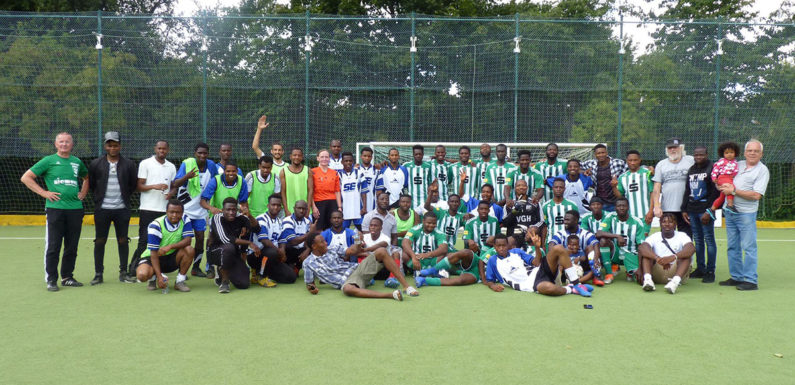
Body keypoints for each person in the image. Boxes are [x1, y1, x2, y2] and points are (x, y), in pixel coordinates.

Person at [21, 132, 89, 291]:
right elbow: (26, 177)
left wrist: (83, 193)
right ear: (56, 144)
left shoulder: (76, 162)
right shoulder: (48, 161)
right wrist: (44, 193)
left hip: (75, 210)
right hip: (55, 210)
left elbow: (86, 177)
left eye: (67, 142)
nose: (64, 144)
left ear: (72, 144)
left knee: (72, 246)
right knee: (53, 246)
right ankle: (51, 279)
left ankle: (67, 277)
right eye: (61, 141)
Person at [303, 232, 419, 300]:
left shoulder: (332, 248)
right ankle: (390, 295)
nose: (326, 243)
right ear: (314, 246)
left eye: (324, 240)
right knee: (347, 289)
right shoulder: (308, 263)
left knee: (381, 251)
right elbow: (310, 283)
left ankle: (406, 287)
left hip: (357, 269)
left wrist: (358, 240)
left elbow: (352, 251)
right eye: (322, 242)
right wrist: (312, 289)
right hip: (348, 282)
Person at [87, 131, 138, 285]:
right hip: (102, 209)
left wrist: (123, 198)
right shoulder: (96, 163)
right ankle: (98, 274)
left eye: (115, 145)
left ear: (120, 146)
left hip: (122, 209)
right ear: (105, 146)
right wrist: (99, 199)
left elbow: (132, 185)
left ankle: (123, 272)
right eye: (109, 145)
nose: (112, 148)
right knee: (100, 241)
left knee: (123, 240)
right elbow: (92, 185)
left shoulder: (129, 164)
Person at [718, 139, 769, 291]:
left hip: (746, 214)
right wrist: (720, 185)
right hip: (730, 211)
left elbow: (756, 195)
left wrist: (733, 191)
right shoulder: (736, 164)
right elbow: (721, 177)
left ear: (761, 154)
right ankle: (736, 277)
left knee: (749, 247)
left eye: (756, 151)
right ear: (745, 152)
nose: (752, 153)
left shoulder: (762, 170)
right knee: (732, 246)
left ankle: (751, 280)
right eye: (749, 150)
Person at [484, 233, 593, 297]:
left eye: (504, 245)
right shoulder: (492, 261)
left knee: (559, 248)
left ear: (508, 245)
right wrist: (493, 286)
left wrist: (537, 247)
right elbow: (489, 280)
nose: (501, 248)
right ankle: (571, 289)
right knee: (549, 289)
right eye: (498, 246)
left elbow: (536, 263)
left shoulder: (516, 252)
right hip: (531, 284)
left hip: (539, 270)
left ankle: (577, 284)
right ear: (494, 246)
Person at [131, 140, 176, 277]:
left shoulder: (171, 167)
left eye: (164, 149)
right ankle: (134, 267)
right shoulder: (145, 163)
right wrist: (154, 186)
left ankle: (157, 268)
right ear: (155, 149)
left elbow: (174, 186)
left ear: (168, 150)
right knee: (144, 240)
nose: (162, 151)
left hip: (164, 210)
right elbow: (139, 186)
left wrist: (171, 194)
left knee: (161, 240)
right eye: (159, 148)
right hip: (148, 208)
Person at [173, 143, 217, 278]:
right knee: (184, 240)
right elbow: (175, 184)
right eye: (200, 153)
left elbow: (216, 182)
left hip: (201, 210)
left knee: (200, 238)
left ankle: (196, 268)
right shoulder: (187, 164)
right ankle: (181, 269)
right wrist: (187, 176)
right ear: (195, 153)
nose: (202, 155)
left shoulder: (211, 166)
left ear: (208, 154)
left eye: (205, 153)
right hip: (185, 210)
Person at [135, 199, 194, 292]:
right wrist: (159, 277)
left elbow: (188, 241)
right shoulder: (155, 225)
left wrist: (170, 247)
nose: (174, 215)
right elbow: (153, 253)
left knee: (189, 249)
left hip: (172, 257)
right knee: (142, 275)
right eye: (172, 212)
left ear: (182, 213)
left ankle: (180, 281)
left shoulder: (185, 219)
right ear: (166, 212)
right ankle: (153, 278)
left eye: (178, 212)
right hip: (153, 257)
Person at [681, 146, 718, 283]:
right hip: (692, 209)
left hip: (705, 210)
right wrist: (684, 209)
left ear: (707, 154)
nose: (698, 157)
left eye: (701, 154)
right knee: (698, 240)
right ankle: (701, 268)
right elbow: (687, 190)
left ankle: (710, 271)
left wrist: (709, 210)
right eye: (696, 155)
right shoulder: (692, 169)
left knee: (709, 240)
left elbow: (715, 192)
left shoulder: (712, 168)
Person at [207, 198, 260, 293]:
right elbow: (225, 239)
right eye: (228, 210)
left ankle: (224, 270)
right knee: (229, 247)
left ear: (237, 210)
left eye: (233, 210)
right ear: (223, 210)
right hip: (215, 252)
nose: (231, 212)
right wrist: (249, 243)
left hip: (233, 253)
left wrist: (249, 215)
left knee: (244, 284)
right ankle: (224, 281)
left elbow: (257, 229)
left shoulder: (241, 218)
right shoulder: (217, 218)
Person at [638, 212, 695, 294]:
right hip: (658, 271)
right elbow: (642, 248)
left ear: (675, 224)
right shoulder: (655, 236)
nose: (667, 224)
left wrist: (672, 257)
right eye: (664, 222)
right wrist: (657, 258)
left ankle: (674, 283)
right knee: (647, 255)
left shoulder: (682, 235)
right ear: (660, 224)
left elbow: (691, 248)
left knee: (686, 257)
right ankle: (648, 281)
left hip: (676, 271)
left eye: (670, 222)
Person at [651, 137, 694, 236]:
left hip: (686, 208)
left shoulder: (691, 161)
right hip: (667, 208)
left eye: (675, 147)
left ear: (681, 148)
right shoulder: (661, 164)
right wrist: (656, 206)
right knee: (667, 237)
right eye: (670, 148)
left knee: (686, 238)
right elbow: (656, 187)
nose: (673, 150)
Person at [250, 193, 296, 286]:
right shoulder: (262, 219)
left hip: (272, 257)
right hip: (256, 255)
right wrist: (279, 252)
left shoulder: (279, 221)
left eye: (278, 205)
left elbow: (282, 239)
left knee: (291, 277)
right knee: (271, 252)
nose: (276, 207)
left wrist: (282, 250)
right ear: (268, 206)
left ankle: (265, 272)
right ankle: (261, 276)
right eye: (273, 205)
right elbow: (264, 241)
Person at [596, 198, 645, 283]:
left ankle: (630, 271)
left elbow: (641, 246)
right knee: (603, 241)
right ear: (615, 208)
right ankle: (609, 273)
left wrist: (640, 267)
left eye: (624, 206)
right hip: (616, 252)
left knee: (639, 280)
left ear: (628, 207)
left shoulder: (637, 222)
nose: (621, 208)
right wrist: (617, 236)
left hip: (630, 253)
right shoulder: (611, 217)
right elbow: (599, 233)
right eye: (619, 206)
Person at [548, 210, 602, 284]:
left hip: (582, 264)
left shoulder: (585, 234)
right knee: (556, 248)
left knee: (590, 248)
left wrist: (595, 258)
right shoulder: (560, 234)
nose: (565, 222)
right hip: (565, 265)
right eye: (564, 219)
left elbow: (596, 244)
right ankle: (557, 278)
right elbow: (551, 244)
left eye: (568, 220)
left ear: (576, 221)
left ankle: (596, 275)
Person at [613, 150, 654, 236]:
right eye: (630, 160)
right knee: (631, 238)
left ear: (640, 160)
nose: (632, 163)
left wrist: (651, 211)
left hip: (645, 214)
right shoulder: (622, 177)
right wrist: (613, 187)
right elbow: (620, 196)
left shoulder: (647, 173)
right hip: (629, 215)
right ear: (626, 161)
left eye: (635, 160)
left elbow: (652, 193)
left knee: (643, 238)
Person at [582, 144, 628, 212]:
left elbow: (631, 169)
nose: (601, 155)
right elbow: (575, 167)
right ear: (595, 154)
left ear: (606, 153)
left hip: (615, 201)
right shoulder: (591, 164)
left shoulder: (618, 163)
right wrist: (584, 171)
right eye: (598, 153)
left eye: (603, 152)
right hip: (600, 203)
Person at [579, 197, 615, 283]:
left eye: (598, 204)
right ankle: (596, 273)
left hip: (610, 245)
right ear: (590, 207)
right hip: (594, 244)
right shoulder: (586, 217)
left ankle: (609, 273)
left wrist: (598, 236)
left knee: (603, 240)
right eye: (593, 205)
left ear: (602, 206)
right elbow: (584, 233)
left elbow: (610, 233)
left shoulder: (609, 216)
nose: (596, 206)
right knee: (590, 246)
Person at [278, 200, 314, 273]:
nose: (301, 211)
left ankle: (297, 267)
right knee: (289, 246)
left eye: (303, 209)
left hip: (300, 250)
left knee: (315, 246)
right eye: (299, 208)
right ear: (294, 208)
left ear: (307, 210)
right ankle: (288, 265)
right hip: (288, 251)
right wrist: (310, 233)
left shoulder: (307, 222)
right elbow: (293, 241)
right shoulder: (288, 220)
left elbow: (309, 240)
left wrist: (307, 250)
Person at [309, 149, 342, 230]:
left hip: (332, 203)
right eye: (322, 157)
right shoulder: (312, 172)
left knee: (332, 228)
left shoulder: (334, 173)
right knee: (318, 228)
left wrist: (339, 207)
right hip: (318, 203)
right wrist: (313, 207)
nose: (324, 159)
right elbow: (310, 191)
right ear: (318, 158)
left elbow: (337, 191)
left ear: (329, 159)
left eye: (326, 157)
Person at [541, 178, 579, 243]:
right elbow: (544, 226)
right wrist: (543, 243)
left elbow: (577, 225)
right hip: (551, 241)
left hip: (568, 242)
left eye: (561, 187)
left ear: (564, 189)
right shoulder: (545, 206)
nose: (558, 189)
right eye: (556, 187)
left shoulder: (572, 205)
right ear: (552, 188)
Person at [708, 141, 741, 215]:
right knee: (731, 188)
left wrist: (733, 176)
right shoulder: (722, 161)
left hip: (729, 178)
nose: (729, 154)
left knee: (722, 196)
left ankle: (712, 209)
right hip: (723, 177)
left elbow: (735, 171)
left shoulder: (735, 162)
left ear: (735, 153)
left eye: (731, 152)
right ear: (723, 154)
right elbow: (715, 170)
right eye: (727, 153)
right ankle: (730, 205)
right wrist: (714, 178)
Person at [338, 152, 367, 230]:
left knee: (363, 230)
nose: (348, 163)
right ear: (342, 162)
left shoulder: (359, 173)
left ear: (353, 161)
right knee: (343, 231)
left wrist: (364, 207)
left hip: (357, 209)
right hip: (344, 210)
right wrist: (339, 207)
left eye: (350, 161)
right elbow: (337, 193)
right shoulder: (338, 175)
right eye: (346, 161)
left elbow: (364, 192)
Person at [280, 146, 311, 216]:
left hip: (305, 210)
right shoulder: (284, 171)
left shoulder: (308, 170)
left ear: (302, 157)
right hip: (290, 210)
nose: (297, 157)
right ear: (290, 156)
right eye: (294, 155)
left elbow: (310, 191)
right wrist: (286, 209)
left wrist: (308, 209)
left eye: (299, 155)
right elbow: (283, 192)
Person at [403, 144, 432, 211]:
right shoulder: (406, 166)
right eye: (416, 154)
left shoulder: (428, 166)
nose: (418, 156)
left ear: (423, 154)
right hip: (411, 201)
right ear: (413, 155)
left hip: (424, 200)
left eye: (420, 154)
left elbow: (430, 183)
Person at [356, 146, 379, 214]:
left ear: (372, 157)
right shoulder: (356, 170)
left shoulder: (376, 171)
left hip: (372, 204)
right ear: (361, 156)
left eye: (369, 156)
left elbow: (379, 191)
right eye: (365, 156)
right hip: (358, 203)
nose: (367, 158)